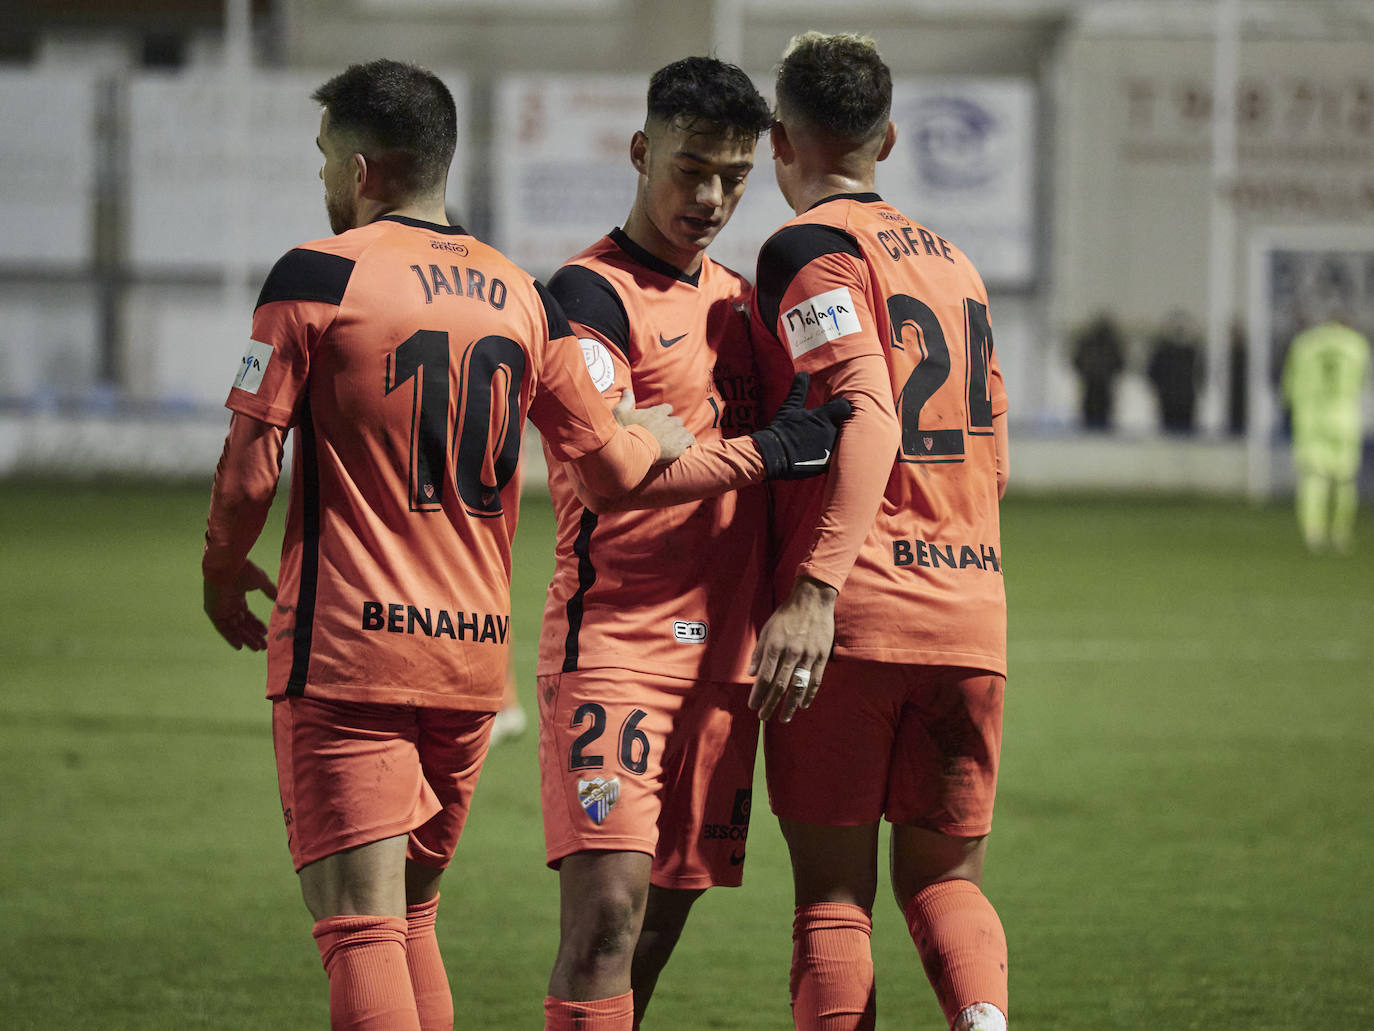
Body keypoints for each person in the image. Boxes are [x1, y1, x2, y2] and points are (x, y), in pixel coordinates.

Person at [200, 59, 698, 1031]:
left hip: (351, 648)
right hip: (470, 661)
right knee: (412, 912)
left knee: (361, 926)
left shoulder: (318, 275)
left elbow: (252, 461)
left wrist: (223, 569)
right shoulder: (522, 293)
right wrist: (657, 433)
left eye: (322, 163)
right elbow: (604, 463)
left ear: (359, 167)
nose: (321, 183)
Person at [746, 33, 1012, 1031]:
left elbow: (866, 412)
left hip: (855, 618)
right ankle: (982, 1017)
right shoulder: (958, 265)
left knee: (831, 896)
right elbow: (996, 455)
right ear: (888, 137)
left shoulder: (809, 250)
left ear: (780, 137)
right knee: (946, 880)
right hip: (971, 613)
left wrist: (812, 589)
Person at [536, 56, 805, 1031]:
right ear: (642, 152)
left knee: (660, 919)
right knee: (607, 913)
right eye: (690, 168)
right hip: (616, 647)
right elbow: (610, 471)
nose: (711, 196)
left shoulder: (741, 302)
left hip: (726, 658)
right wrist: (764, 450)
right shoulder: (585, 295)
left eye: (734, 176)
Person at [1281, 311, 1371, 552]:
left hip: (1310, 417)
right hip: (1343, 416)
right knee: (1344, 480)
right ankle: (1341, 533)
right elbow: (1363, 382)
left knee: (1313, 477)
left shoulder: (1304, 343)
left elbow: (1289, 387)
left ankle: (1314, 533)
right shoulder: (1357, 345)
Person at [1147, 309, 1203, 434]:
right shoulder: (1162, 352)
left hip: (1185, 401)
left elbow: (1200, 375)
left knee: (1185, 433)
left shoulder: (1191, 353)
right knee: (1169, 432)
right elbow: (1152, 374)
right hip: (1169, 401)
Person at [1070, 312, 1126, 431]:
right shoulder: (1110, 344)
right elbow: (1120, 364)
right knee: (1097, 418)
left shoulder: (1093, 343)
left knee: (1095, 418)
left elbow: (1077, 361)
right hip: (1096, 388)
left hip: (1097, 388)